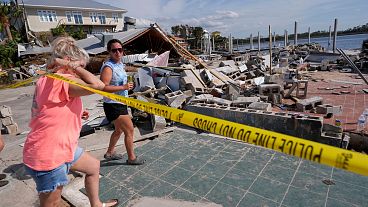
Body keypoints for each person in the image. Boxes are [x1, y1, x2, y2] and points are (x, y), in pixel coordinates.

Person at [23, 36, 118, 207]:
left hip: (58, 146)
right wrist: (72, 67)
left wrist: (76, 112)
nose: (81, 70)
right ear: (68, 62)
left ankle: (96, 204)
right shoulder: (64, 80)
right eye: (80, 66)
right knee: (52, 204)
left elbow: (48, 106)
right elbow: (98, 85)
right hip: (50, 154)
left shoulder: (46, 78)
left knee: (93, 166)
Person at [100, 39, 144, 165]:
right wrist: (123, 87)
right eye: (114, 50)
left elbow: (125, 72)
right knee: (129, 130)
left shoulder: (119, 64)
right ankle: (131, 158)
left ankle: (109, 153)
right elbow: (103, 87)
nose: (118, 52)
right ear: (109, 52)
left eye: (120, 50)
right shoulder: (108, 67)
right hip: (112, 104)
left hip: (121, 103)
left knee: (119, 130)